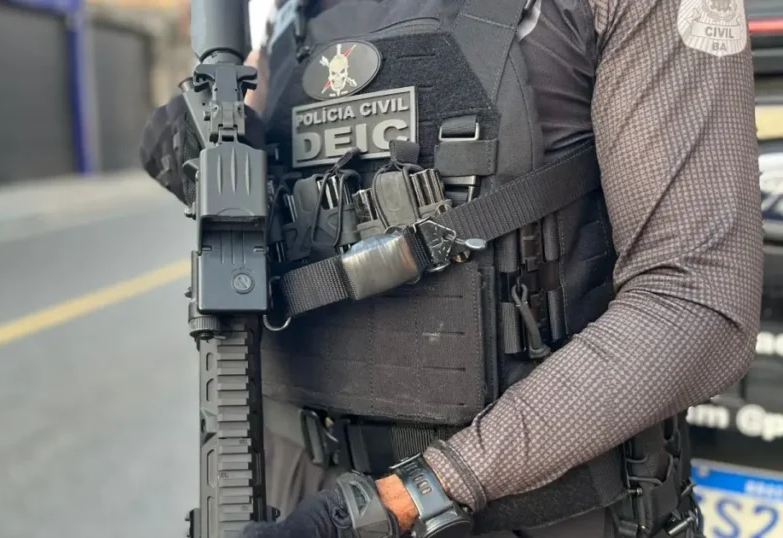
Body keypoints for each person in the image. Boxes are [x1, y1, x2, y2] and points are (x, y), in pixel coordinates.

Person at [140, 1, 763, 537]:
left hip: (532, 513)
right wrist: (209, 157)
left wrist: (407, 499)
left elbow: (696, 299)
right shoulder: (290, 16)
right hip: (289, 503)